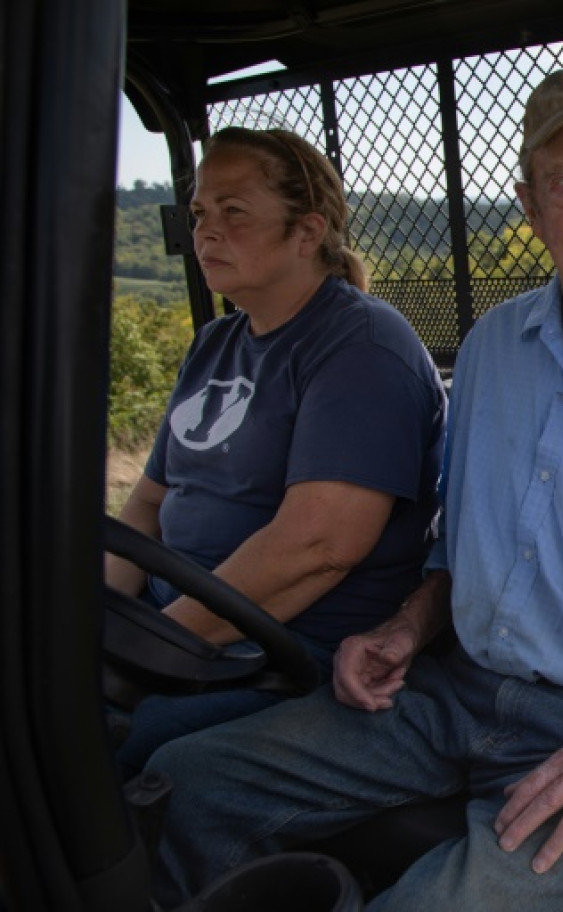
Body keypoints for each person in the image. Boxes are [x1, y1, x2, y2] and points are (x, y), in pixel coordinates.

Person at [147, 62, 563, 911]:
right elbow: (459, 555)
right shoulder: (494, 349)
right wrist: (402, 630)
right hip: (454, 692)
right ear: (531, 207)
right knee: (188, 782)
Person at [106, 127, 447, 778]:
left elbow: (316, 550)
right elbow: (149, 501)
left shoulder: (362, 347)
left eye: (235, 212)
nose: (207, 231)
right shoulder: (216, 342)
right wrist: (97, 616)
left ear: (306, 230)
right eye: (202, 212)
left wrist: (147, 649)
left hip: (281, 649)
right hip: (179, 624)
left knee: (76, 737)